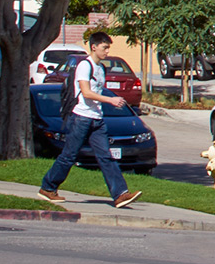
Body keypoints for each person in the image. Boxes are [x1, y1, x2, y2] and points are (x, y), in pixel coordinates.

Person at [36, 30, 142, 208]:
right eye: (104, 48)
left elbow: (97, 93)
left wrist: (107, 102)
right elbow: (86, 92)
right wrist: (111, 99)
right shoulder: (85, 66)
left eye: (108, 48)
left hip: (96, 119)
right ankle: (48, 187)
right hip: (81, 118)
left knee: (106, 156)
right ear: (94, 47)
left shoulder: (101, 68)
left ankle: (120, 194)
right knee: (69, 155)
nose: (107, 52)